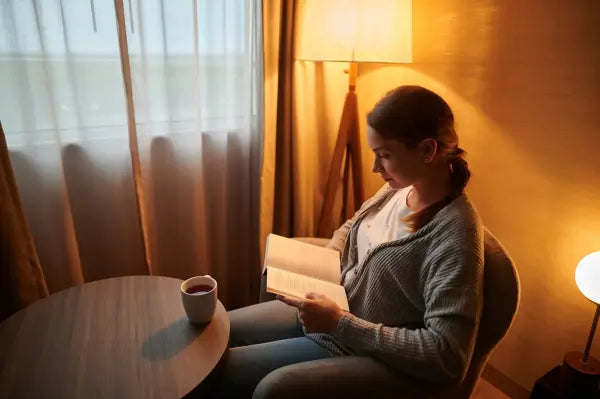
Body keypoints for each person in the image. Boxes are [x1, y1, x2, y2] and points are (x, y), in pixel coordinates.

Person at [193, 85, 484, 398]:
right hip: (328, 311)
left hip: (351, 344)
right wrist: (329, 257)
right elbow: (353, 225)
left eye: (384, 155)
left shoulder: (455, 238)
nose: (375, 167)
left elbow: (448, 356)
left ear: (427, 151)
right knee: (212, 332)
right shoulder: (401, 189)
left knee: (213, 373)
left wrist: (341, 323)